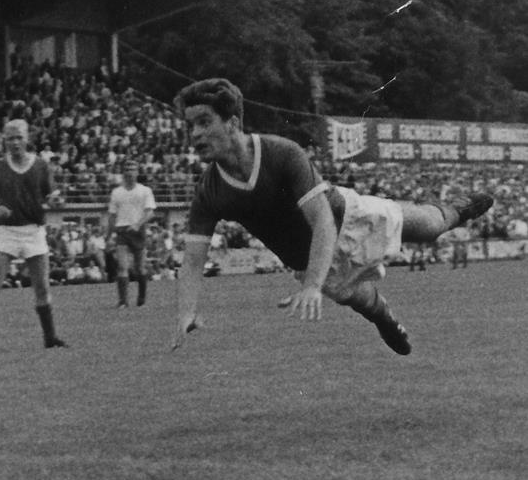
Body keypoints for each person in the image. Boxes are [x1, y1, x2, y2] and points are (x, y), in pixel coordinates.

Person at [169, 78, 494, 355]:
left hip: (348, 219)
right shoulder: (208, 191)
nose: (194, 134)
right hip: (307, 258)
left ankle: (458, 209)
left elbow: (322, 220)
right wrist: (186, 312)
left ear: (233, 123)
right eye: (190, 125)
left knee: (430, 228)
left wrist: (311, 285)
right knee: (356, 298)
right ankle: (385, 318)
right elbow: (194, 260)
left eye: (204, 122)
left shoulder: (281, 153)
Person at [0, 118, 67, 352]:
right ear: (4, 140)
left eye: (19, 137)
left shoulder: (41, 166)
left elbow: (52, 196)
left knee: (42, 288)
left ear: (27, 139)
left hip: (34, 232)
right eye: (10, 138)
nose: (15, 142)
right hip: (6, 233)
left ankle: (50, 339)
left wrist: (56, 201)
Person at [106, 160, 156, 308]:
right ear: (123, 173)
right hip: (122, 230)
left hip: (138, 230)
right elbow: (112, 216)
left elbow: (150, 213)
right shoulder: (117, 192)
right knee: (122, 267)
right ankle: (123, 301)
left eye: (132, 169)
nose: (129, 172)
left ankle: (141, 299)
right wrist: (108, 235)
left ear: (137, 172)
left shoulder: (145, 191)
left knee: (139, 268)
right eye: (127, 169)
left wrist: (137, 224)